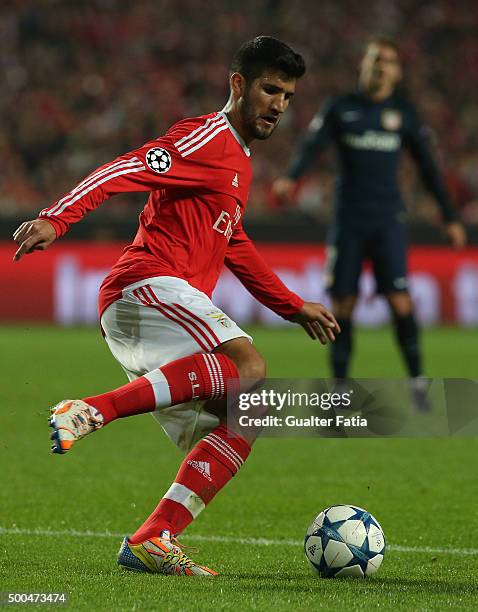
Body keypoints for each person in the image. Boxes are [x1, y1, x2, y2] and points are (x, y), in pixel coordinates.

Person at [13, 36, 339, 576]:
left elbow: (233, 241)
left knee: (243, 416)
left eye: (287, 95)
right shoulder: (206, 138)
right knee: (248, 365)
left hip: (150, 304)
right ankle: (95, 409)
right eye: (269, 89)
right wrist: (57, 217)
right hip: (144, 285)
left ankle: (153, 537)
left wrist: (292, 306)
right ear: (238, 85)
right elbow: (125, 167)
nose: (279, 104)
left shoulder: (241, 163)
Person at [274, 36, 466, 406]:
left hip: (387, 221)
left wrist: (450, 216)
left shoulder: (404, 114)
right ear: (364, 65)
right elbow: (311, 147)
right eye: (376, 59)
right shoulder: (340, 108)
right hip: (348, 221)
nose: (381, 66)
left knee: (400, 302)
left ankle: (417, 383)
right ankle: (340, 389)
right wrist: (291, 177)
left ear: (396, 71)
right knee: (342, 306)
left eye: (389, 61)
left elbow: (428, 168)